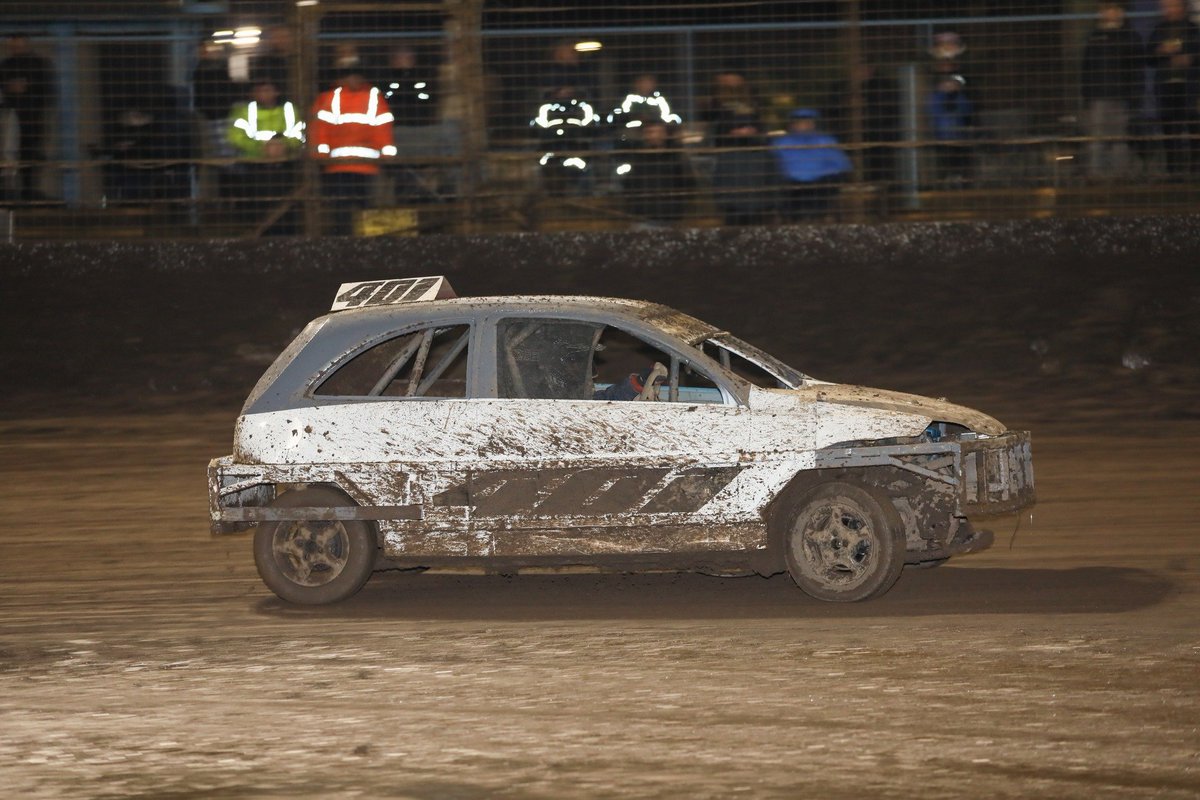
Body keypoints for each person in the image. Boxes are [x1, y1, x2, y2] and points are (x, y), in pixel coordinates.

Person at [310, 63, 396, 235]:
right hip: (357, 166)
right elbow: (320, 129)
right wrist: (386, 154)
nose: (354, 80)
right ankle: (363, 244)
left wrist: (321, 155)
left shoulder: (331, 98)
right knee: (359, 208)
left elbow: (320, 129)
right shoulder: (372, 98)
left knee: (345, 209)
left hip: (343, 166)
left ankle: (347, 244)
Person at [227, 77, 304, 234]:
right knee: (259, 206)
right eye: (259, 90)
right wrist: (261, 148)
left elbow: (299, 133)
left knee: (285, 205)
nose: (263, 94)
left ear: (276, 91)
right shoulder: (244, 111)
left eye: (267, 90)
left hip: (284, 166)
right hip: (255, 167)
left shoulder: (289, 110)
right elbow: (235, 136)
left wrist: (284, 145)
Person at [1081, 2, 1146, 179]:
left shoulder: (1129, 37)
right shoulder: (1094, 37)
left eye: (1114, 9)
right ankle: (1096, 175)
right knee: (1098, 139)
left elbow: (1136, 70)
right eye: (1106, 9)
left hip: (1121, 96)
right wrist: (1087, 96)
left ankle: (1119, 175)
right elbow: (1086, 69)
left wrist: (1134, 96)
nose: (1110, 13)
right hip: (1098, 96)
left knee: (1119, 138)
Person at [1147, 0, 1200, 175]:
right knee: (1169, 130)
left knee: (1194, 129)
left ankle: (1194, 171)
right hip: (1166, 88)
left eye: (1173, 5)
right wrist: (1160, 51)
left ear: (1183, 8)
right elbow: (1148, 57)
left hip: (1190, 87)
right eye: (1166, 6)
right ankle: (1173, 172)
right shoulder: (1159, 30)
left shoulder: (1192, 29)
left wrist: (1189, 58)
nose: (1169, 10)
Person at [772, 109, 853, 222]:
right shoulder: (782, 142)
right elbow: (774, 164)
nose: (804, 125)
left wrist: (827, 173)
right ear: (792, 124)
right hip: (791, 184)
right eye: (800, 122)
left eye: (808, 122)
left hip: (820, 183)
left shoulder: (825, 140)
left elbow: (841, 164)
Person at [0, 34, 54, 201]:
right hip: (10, 116)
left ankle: (28, 192)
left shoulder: (38, 64)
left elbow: (46, 92)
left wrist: (26, 89)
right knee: (9, 155)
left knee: (30, 155)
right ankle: (11, 192)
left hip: (31, 117)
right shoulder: (6, 65)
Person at [615, 120, 694, 227]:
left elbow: (688, 183)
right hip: (643, 217)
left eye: (656, 131)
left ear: (664, 134)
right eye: (649, 132)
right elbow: (629, 183)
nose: (653, 135)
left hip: (670, 217)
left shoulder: (676, 156)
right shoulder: (639, 157)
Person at [710, 115, 777, 226]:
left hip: (760, 210)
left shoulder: (765, 154)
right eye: (741, 127)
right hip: (735, 210)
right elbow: (719, 183)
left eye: (749, 127)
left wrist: (771, 205)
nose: (746, 130)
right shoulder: (726, 156)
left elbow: (774, 180)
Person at [927, 74, 975, 186]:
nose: (951, 86)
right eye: (949, 83)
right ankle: (946, 181)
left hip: (959, 136)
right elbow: (934, 112)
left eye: (954, 84)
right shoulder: (936, 98)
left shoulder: (960, 98)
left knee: (959, 160)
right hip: (942, 136)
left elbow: (967, 111)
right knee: (945, 160)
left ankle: (958, 180)